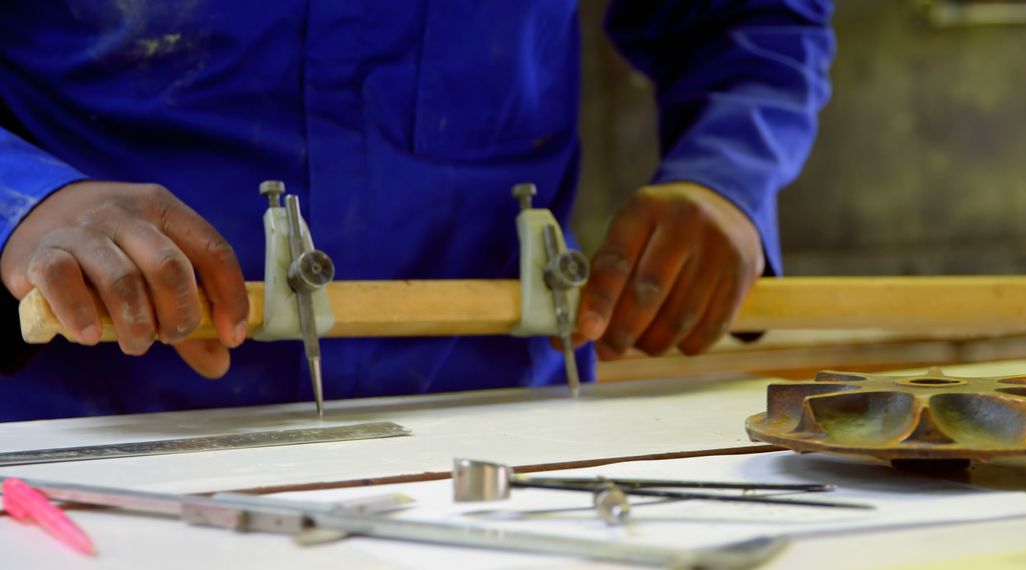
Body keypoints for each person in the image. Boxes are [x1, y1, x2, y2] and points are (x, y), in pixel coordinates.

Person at [0, 1, 835, 421]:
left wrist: (724, 176)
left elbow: (747, 16)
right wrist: (24, 201)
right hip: (86, 431)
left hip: (494, 428)